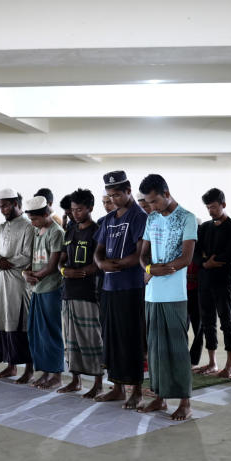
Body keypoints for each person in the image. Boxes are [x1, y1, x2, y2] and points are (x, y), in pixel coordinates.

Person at [136, 174, 197, 421]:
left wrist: (162, 269)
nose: (151, 206)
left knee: (177, 348)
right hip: (152, 294)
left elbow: (186, 258)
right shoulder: (151, 218)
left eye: (154, 201)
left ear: (166, 193)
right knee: (156, 349)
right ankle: (160, 398)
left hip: (174, 294)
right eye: (148, 202)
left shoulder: (187, 218)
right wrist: (150, 269)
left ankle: (185, 402)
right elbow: (143, 255)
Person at [94, 171, 148, 409]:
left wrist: (116, 264)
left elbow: (140, 253)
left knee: (132, 338)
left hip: (132, 287)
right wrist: (101, 263)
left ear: (128, 190)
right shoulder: (108, 220)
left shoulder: (140, 217)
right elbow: (99, 250)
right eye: (109, 195)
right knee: (112, 339)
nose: (113, 199)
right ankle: (116, 388)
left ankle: (135, 390)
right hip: (109, 287)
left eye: (117, 194)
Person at [57, 189, 105, 398]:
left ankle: (98, 383)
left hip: (89, 292)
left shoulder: (97, 231)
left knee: (91, 338)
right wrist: (63, 270)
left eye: (79, 210)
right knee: (71, 340)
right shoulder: (70, 230)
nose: (75, 213)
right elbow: (62, 258)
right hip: (69, 291)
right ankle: (75, 380)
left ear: (90, 208)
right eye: (73, 210)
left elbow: (99, 263)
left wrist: (82, 272)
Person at [192, 188, 231, 378]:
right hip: (204, 282)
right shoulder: (204, 227)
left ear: (223, 204)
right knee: (207, 323)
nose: (210, 211)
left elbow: (228, 256)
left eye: (213, 207)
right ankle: (212, 362)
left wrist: (209, 259)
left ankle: (230, 364)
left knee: (226, 322)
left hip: (223, 282)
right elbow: (195, 254)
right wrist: (206, 262)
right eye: (208, 208)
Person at [0, 188, 35, 383]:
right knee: (3, 325)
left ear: (16, 204)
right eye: (0, 207)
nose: (3, 210)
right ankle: (10, 366)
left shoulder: (28, 227)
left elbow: (27, 255)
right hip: (1, 284)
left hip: (19, 284)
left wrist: (6, 262)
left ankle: (29, 370)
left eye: (6, 205)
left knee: (22, 325)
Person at [23, 195, 65, 389]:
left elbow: (52, 265)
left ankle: (56, 374)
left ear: (46, 213)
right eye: (31, 219)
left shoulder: (56, 232)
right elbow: (33, 260)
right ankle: (45, 372)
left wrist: (36, 276)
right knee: (37, 333)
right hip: (37, 288)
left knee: (51, 332)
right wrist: (26, 273)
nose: (33, 223)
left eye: (35, 219)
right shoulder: (38, 231)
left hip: (52, 289)